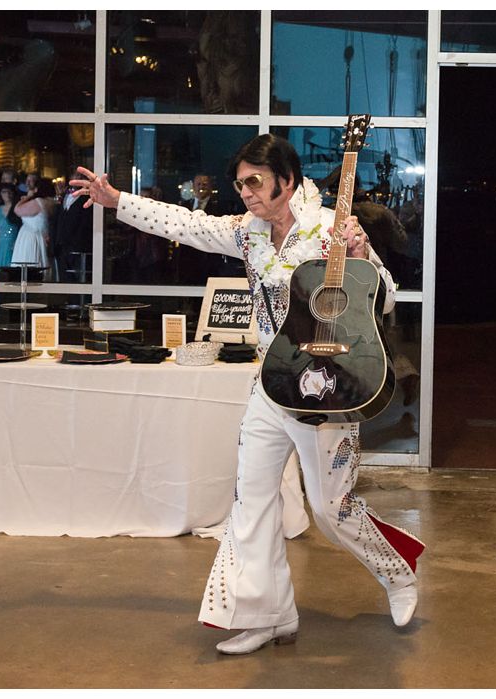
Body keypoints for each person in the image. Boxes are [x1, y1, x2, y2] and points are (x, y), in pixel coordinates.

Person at [68, 134, 423, 655]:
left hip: (327, 392)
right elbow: (187, 224)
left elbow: (386, 298)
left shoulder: (329, 229)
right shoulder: (248, 233)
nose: (247, 194)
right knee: (251, 502)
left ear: (287, 178)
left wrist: (363, 251)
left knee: (329, 509)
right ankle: (267, 614)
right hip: (270, 385)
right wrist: (118, 200)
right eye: (240, 185)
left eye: (254, 182)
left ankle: (398, 573)